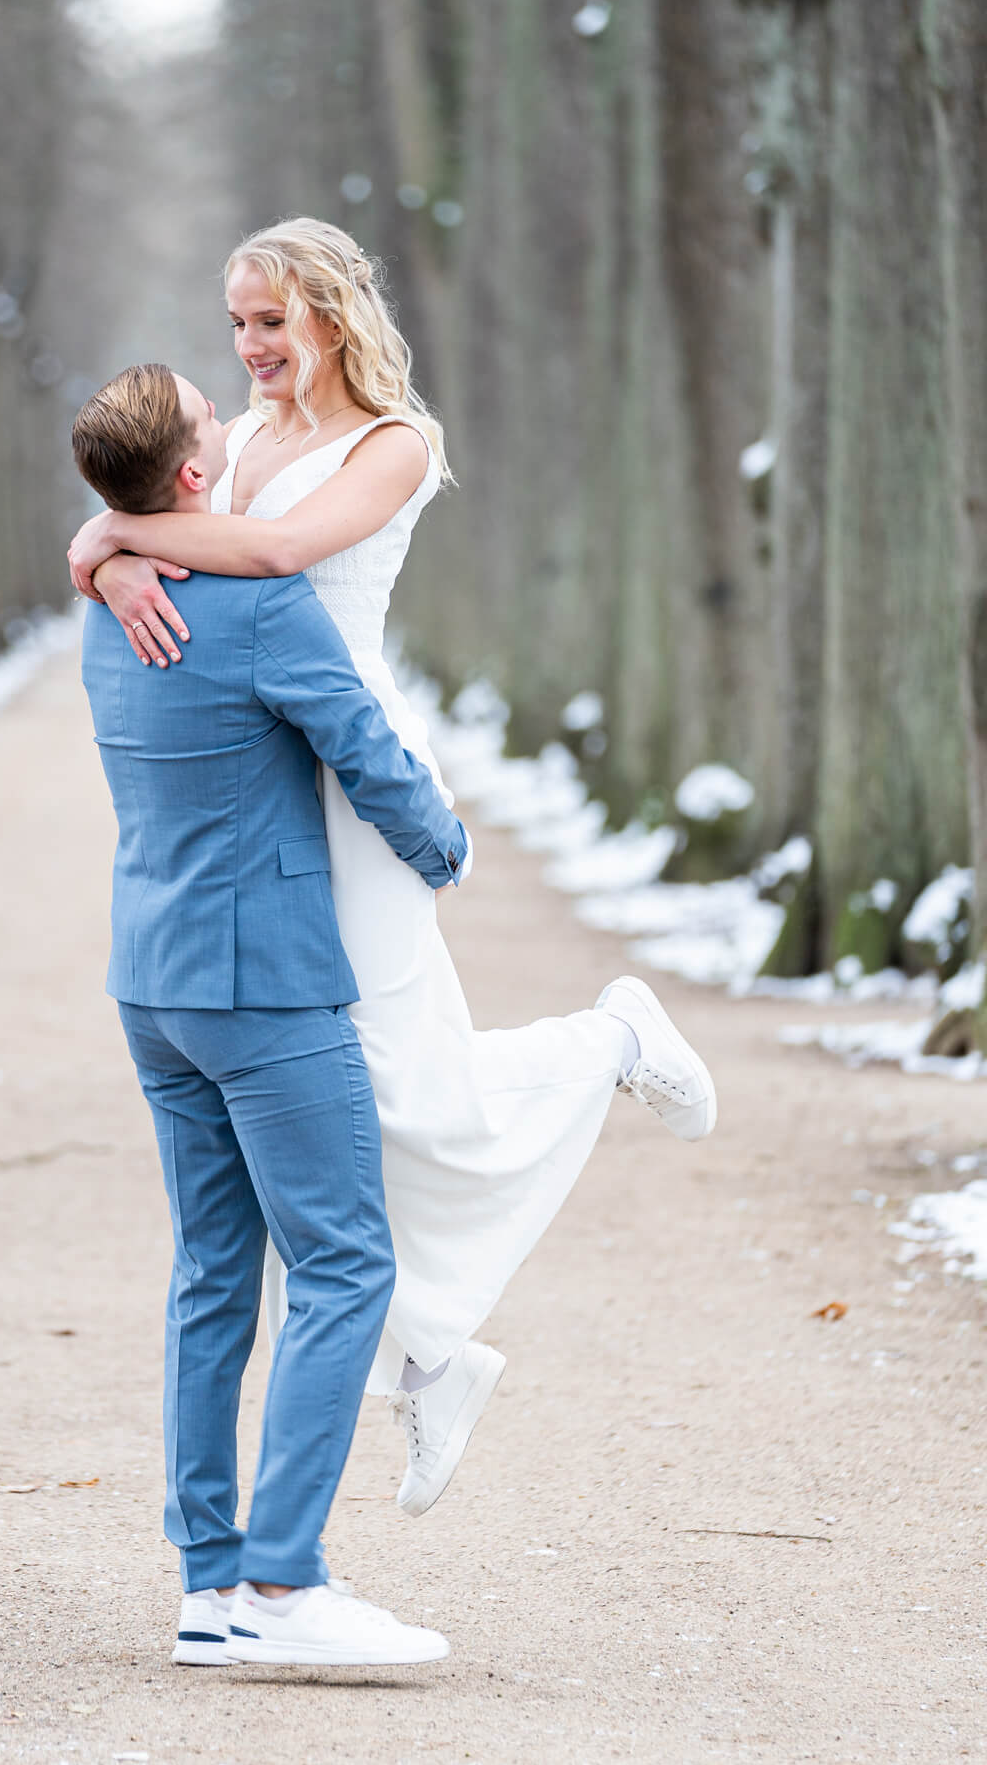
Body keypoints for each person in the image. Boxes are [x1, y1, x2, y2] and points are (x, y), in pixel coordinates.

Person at [69, 219, 717, 1521]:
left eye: (271, 322)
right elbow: (190, 513)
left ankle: (606, 1043)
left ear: (333, 314)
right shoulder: (240, 442)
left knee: (398, 1087)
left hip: (355, 778)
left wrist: (108, 546)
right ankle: (432, 1353)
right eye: (238, 323)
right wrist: (113, 543)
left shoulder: (394, 446)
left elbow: (273, 558)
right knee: (347, 1091)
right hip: (264, 772)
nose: (250, 349)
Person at [73, 361, 468, 1668]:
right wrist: (444, 845)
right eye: (215, 424)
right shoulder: (258, 605)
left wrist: (112, 548)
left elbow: (121, 546)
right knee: (347, 1262)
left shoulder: (111, 604)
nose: (239, 435)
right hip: (265, 979)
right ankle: (286, 1591)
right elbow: (362, 746)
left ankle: (210, 1585)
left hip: (155, 977)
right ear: (198, 477)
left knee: (211, 1280)